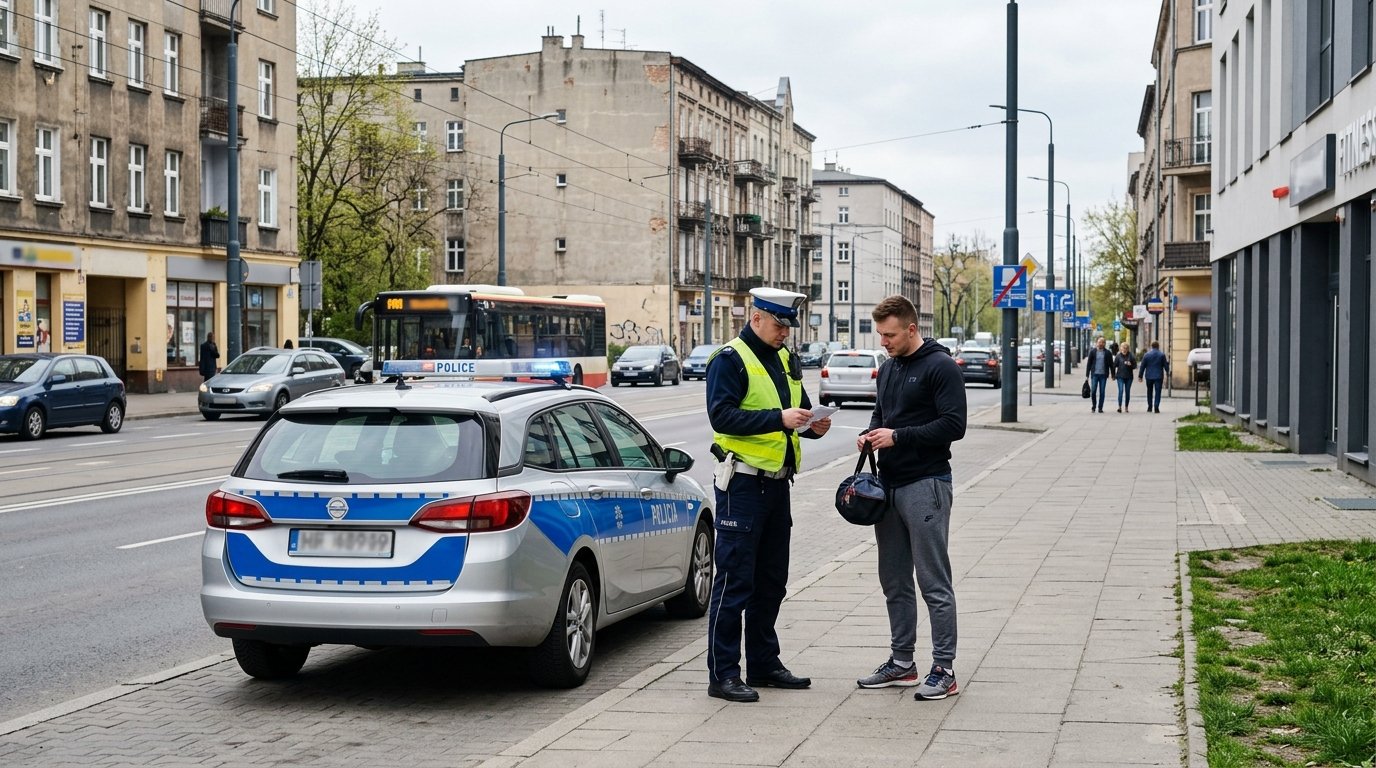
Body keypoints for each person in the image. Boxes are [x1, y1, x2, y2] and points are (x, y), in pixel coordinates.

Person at [704, 287, 832, 703]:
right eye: (779, 325)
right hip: (742, 484)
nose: (785, 333)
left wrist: (812, 424)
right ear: (756, 317)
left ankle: (763, 663)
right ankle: (723, 673)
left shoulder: (783, 358)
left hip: (778, 484)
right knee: (734, 582)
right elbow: (722, 415)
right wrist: (779, 418)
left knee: (771, 582)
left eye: (788, 326)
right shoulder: (729, 359)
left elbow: (801, 407)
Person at [853, 295, 968, 701]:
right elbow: (881, 415)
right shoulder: (886, 369)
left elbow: (955, 425)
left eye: (890, 335)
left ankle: (944, 668)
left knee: (933, 580)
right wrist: (871, 435)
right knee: (894, 579)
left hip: (927, 484)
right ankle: (902, 663)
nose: (884, 342)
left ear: (912, 329)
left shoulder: (940, 366)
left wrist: (898, 436)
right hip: (889, 484)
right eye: (880, 334)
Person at [1138, 340, 1170, 413]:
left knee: (1149, 391)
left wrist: (1140, 376)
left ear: (1151, 346)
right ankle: (1156, 407)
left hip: (1149, 376)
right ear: (1158, 346)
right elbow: (1165, 365)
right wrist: (1168, 372)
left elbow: (1142, 366)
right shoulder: (1161, 355)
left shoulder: (1146, 355)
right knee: (1158, 391)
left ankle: (1149, 406)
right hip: (1158, 376)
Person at [1084, 337, 1113, 414]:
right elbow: (1089, 364)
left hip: (1103, 375)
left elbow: (1111, 364)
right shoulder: (1093, 352)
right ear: (1096, 343)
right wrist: (1087, 375)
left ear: (1105, 344)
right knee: (1093, 391)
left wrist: (1113, 374)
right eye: (1099, 342)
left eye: (1103, 342)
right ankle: (1094, 406)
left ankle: (1100, 408)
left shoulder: (1107, 353)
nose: (1101, 343)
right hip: (1095, 375)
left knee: (1102, 392)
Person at [1114, 343, 1136, 412]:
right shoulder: (1118, 356)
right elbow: (1114, 365)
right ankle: (1119, 407)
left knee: (1127, 392)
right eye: (1123, 348)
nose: (1124, 349)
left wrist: (1130, 365)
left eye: (1126, 348)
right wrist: (1112, 375)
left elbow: (1135, 366)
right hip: (1120, 376)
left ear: (1128, 349)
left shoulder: (1131, 355)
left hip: (1129, 377)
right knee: (1120, 391)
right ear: (1121, 348)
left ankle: (1126, 407)